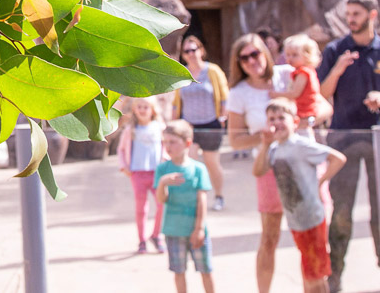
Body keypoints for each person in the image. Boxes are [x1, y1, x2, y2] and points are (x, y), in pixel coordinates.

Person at [316, 0, 380, 292]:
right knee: (341, 211)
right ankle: (335, 275)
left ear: (372, 15)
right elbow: (321, 95)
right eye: (348, 14)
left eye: (356, 14)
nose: (350, 20)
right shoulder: (335, 50)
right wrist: (338, 69)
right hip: (343, 139)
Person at [253, 98, 347, 293]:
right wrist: (264, 144)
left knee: (314, 274)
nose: (276, 122)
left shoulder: (301, 145)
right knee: (312, 271)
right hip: (296, 221)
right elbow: (259, 170)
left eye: (281, 117)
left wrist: (319, 182)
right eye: (272, 119)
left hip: (311, 220)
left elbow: (338, 159)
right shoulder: (274, 149)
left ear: (295, 122)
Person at [225, 33, 285, 293]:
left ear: (265, 52)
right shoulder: (239, 93)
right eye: (244, 57)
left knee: (314, 231)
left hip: (304, 162)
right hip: (269, 166)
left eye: (255, 54)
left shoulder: (287, 76)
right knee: (270, 237)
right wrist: (262, 137)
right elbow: (235, 141)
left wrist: (309, 120)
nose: (251, 61)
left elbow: (324, 106)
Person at [154, 120, 216, 293]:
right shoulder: (162, 169)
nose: (168, 146)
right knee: (179, 272)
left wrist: (199, 228)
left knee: (206, 270)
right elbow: (161, 200)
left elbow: (202, 200)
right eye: (165, 142)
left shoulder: (198, 169)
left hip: (196, 230)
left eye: (172, 142)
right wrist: (162, 184)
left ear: (187, 143)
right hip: (173, 230)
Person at [175, 35, 229, 210]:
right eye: (187, 51)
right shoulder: (181, 72)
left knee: (212, 163)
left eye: (194, 49)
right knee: (189, 163)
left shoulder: (212, 70)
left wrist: (222, 118)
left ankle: (219, 196)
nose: (191, 54)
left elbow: (224, 97)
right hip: (189, 125)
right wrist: (174, 124)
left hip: (211, 123)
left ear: (201, 50)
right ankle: (195, 198)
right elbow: (177, 102)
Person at [117, 97, 166, 253]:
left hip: (156, 172)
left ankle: (156, 235)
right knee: (141, 208)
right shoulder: (130, 129)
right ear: (134, 109)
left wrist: (166, 162)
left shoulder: (159, 127)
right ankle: (141, 240)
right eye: (140, 107)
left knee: (162, 204)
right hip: (137, 172)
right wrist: (124, 166)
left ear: (152, 109)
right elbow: (121, 150)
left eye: (146, 106)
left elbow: (165, 146)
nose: (143, 110)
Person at [270, 34, 333, 133]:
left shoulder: (303, 73)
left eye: (295, 55)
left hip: (305, 113)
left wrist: (275, 95)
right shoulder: (302, 71)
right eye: (288, 55)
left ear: (307, 56)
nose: (290, 58)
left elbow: (295, 93)